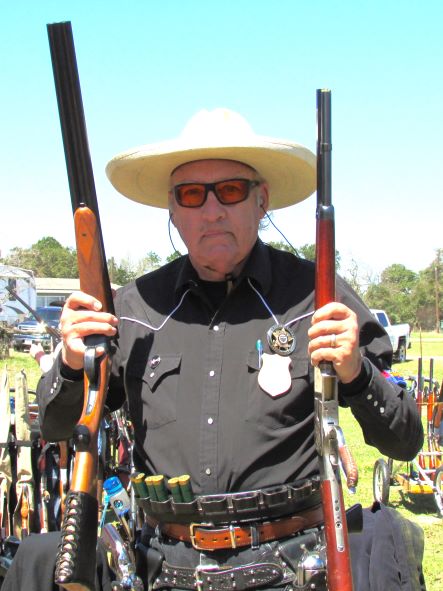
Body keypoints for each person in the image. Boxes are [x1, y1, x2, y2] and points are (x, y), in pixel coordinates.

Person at [3, 108, 425, 591]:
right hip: (163, 573)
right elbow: (57, 426)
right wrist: (71, 363)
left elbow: (405, 439)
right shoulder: (133, 308)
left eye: (230, 190)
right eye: (191, 194)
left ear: (261, 200)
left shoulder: (318, 295)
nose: (211, 211)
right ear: (172, 210)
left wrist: (357, 372)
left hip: (292, 571)